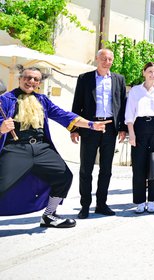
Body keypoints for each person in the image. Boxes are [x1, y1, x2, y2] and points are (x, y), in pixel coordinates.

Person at [1, 67, 110, 228]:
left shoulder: (42, 100)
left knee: (64, 176)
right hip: (16, 148)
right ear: (20, 79)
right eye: (28, 77)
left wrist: (91, 124)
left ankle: (49, 216)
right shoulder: (6, 99)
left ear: (39, 83)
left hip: (41, 147)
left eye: (35, 79)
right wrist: (1, 128)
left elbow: (64, 115)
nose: (31, 81)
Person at [71, 48, 128, 219]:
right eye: (103, 58)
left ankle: (101, 204)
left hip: (110, 128)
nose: (107, 61)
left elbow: (122, 105)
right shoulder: (85, 78)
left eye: (110, 59)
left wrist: (123, 128)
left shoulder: (119, 79)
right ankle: (85, 206)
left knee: (106, 169)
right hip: (90, 127)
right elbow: (76, 105)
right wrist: (74, 128)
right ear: (97, 59)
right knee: (86, 169)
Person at [125, 62, 154, 214]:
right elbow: (129, 114)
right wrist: (131, 134)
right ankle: (139, 201)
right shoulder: (135, 91)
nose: (153, 74)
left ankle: (153, 200)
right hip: (139, 128)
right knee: (138, 166)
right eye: (150, 71)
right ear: (144, 72)